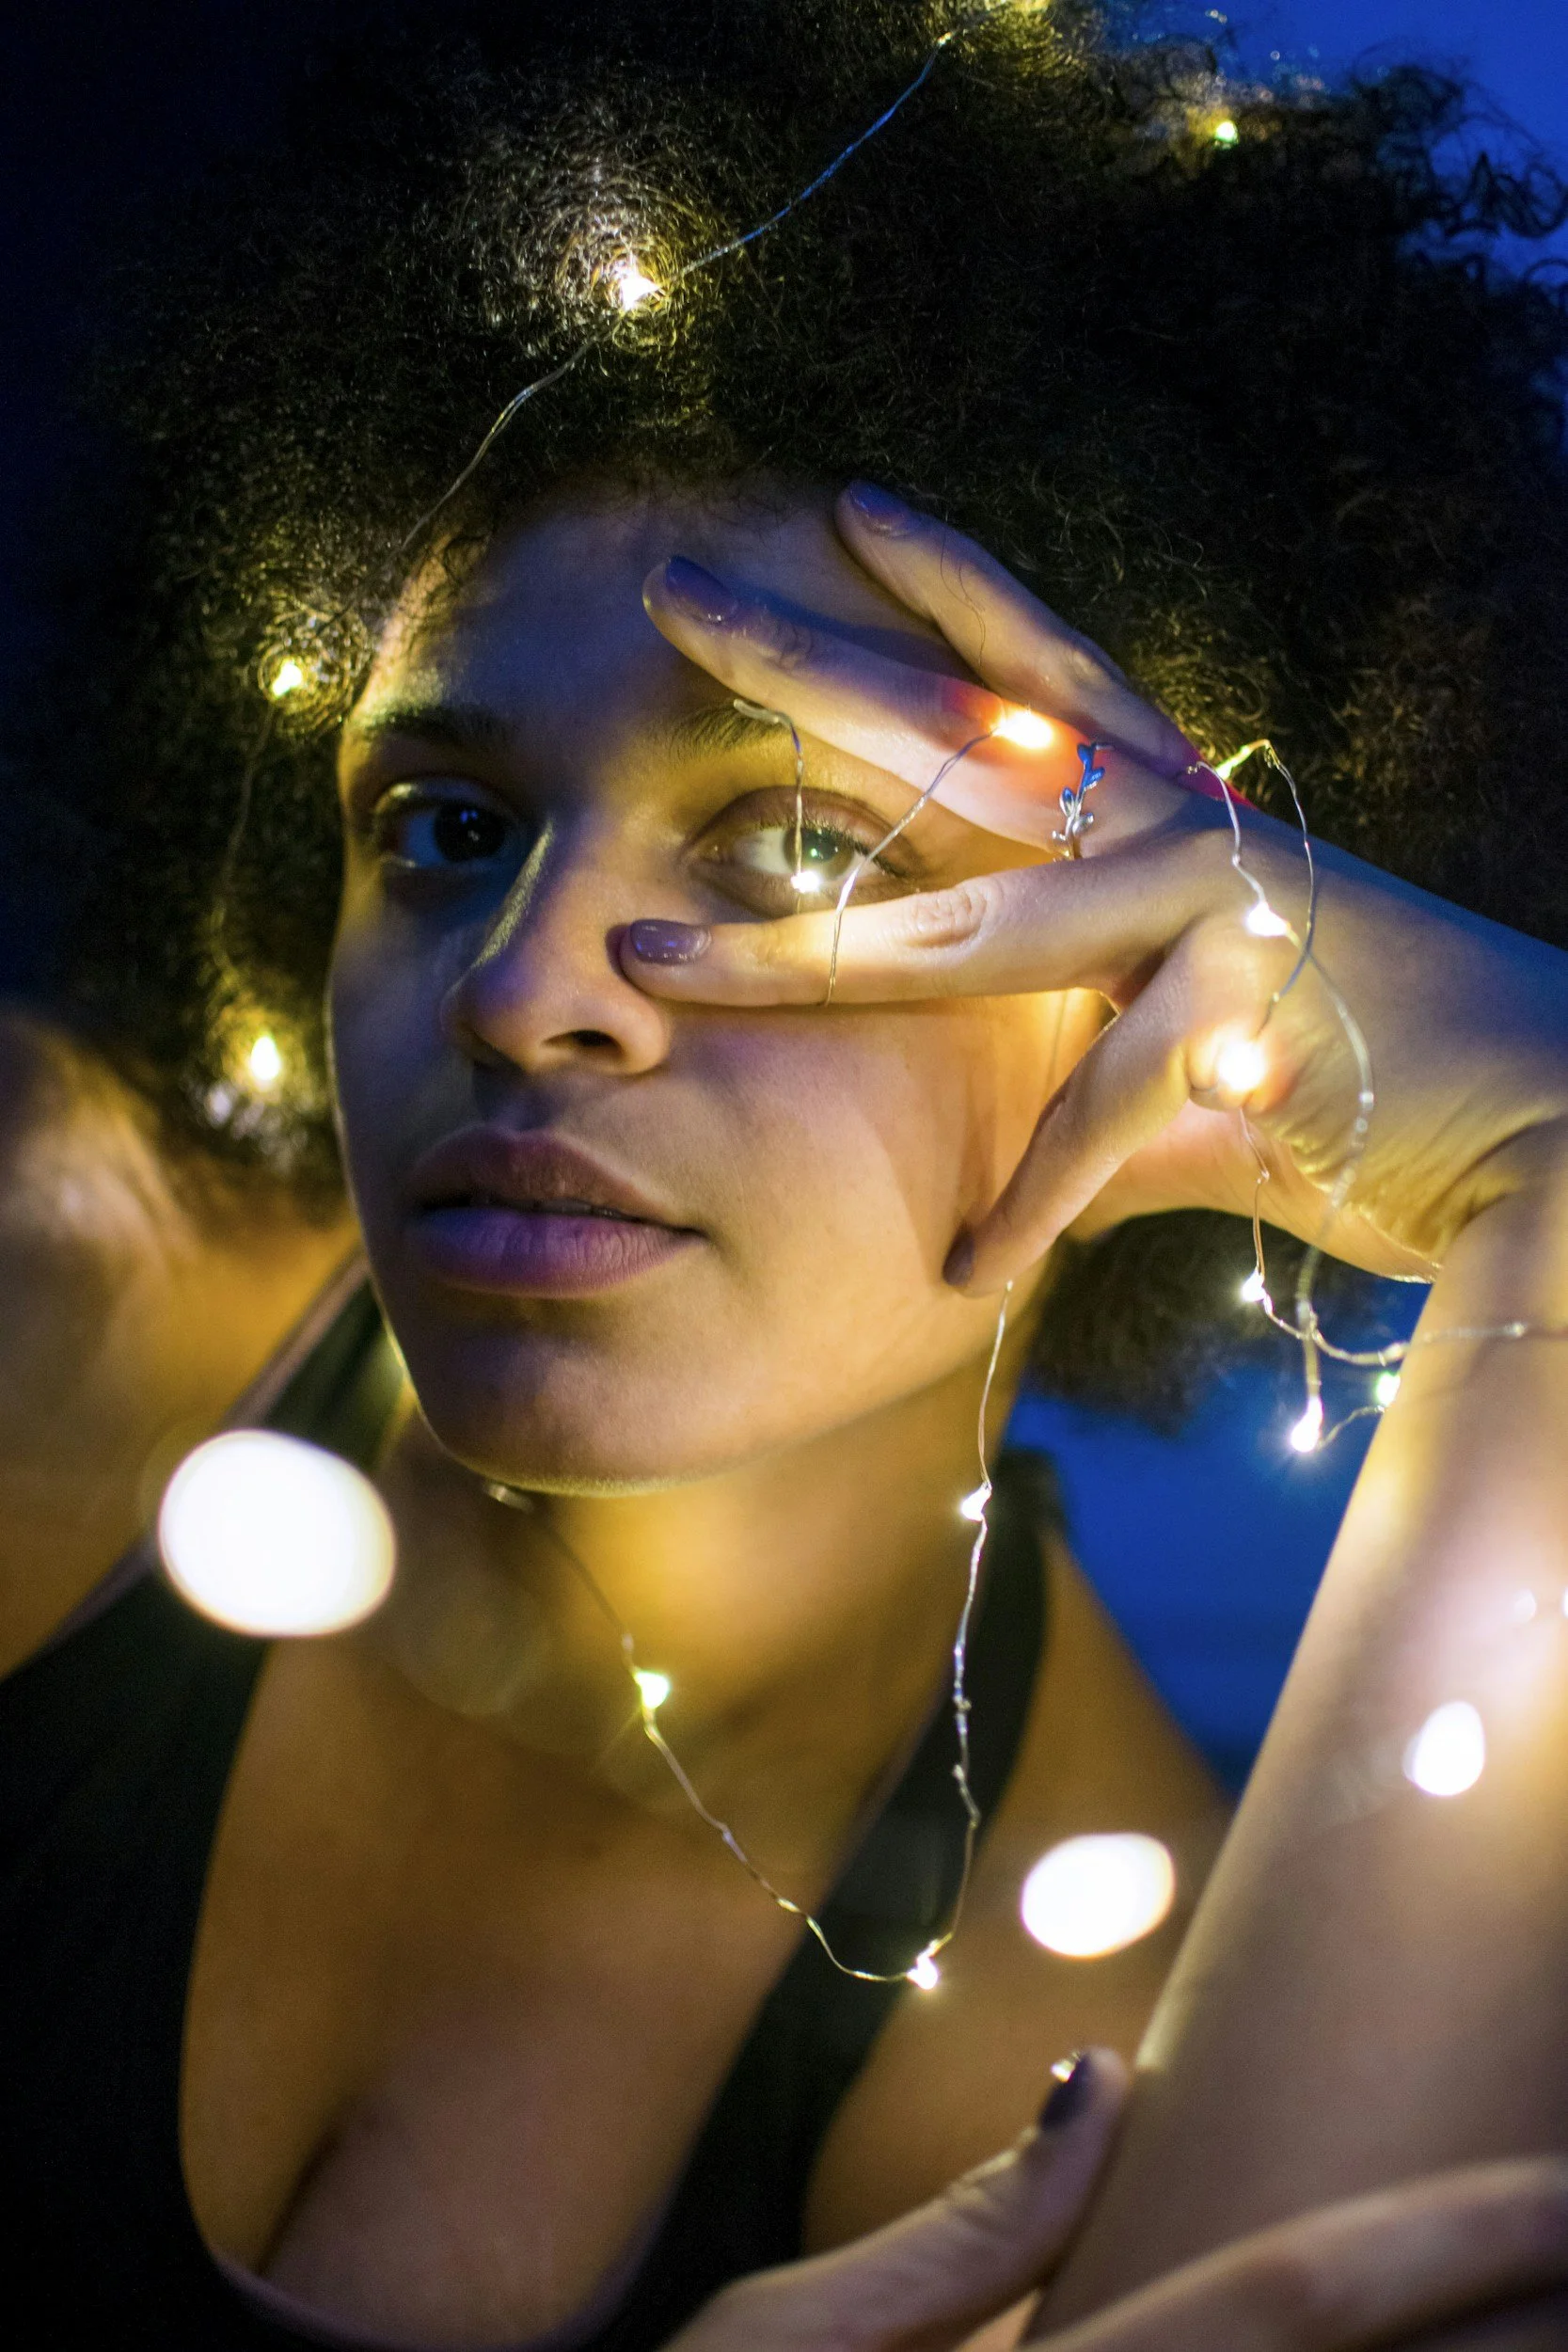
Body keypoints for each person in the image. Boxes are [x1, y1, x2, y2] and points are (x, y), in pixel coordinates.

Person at [7, 1, 1568, 2345]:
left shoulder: (1061, 1991)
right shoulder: (57, 1322)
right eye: (444, 827)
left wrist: (1545, 1129)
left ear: (1161, 978)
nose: (530, 986)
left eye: (809, 843)